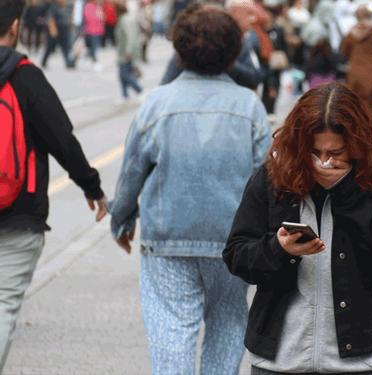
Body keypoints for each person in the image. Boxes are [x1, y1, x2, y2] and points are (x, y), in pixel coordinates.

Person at [107, 4, 271, 373]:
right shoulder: (249, 106)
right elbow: (266, 179)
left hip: (168, 239)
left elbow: (132, 170)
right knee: (228, 323)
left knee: (171, 329)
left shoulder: (157, 103)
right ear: (233, 54)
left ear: (180, 51)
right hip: (233, 241)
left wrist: (121, 220)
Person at [223, 82, 372, 375]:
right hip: (279, 360)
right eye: (314, 151)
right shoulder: (273, 177)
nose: (325, 161)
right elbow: (237, 255)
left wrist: (348, 192)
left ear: (357, 144)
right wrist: (279, 249)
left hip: (358, 361)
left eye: (336, 152)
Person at [0, 0, 107, 370]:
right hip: (18, 215)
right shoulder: (26, 77)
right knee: (2, 306)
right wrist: (92, 187)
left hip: (18, 217)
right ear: (15, 26)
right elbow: (62, 140)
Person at [158, 0, 264, 89]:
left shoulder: (249, 39)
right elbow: (168, 80)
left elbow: (255, 78)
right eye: (249, 13)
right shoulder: (191, 47)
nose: (254, 19)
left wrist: (225, 62)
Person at [113, 0, 144, 103]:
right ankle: (125, 95)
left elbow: (130, 37)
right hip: (126, 52)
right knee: (122, 74)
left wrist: (128, 51)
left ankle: (140, 90)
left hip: (126, 53)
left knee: (125, 74)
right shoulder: (128, 18)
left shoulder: (124, 20)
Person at [41, 0, 76, 69]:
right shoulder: (53, 7)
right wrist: (52, 29)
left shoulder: (68, 6)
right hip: (57, 30)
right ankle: (44, 62)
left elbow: (70, 17)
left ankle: (68, 63)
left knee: (66, 48)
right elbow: (50, 18)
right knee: (50, 47)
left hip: (65, 30)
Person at [83, 0, 105, 71]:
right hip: (91, 31)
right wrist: (98, 17)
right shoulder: (88, 6)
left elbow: (102, 16)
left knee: (94, 47)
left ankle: (89, 58)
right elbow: (88, 17)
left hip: (98, 31)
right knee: (93, 47)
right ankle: (95, 61)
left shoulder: (98, 7)